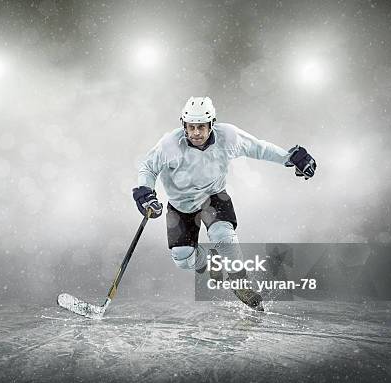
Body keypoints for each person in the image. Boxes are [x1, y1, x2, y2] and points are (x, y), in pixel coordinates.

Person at [132, 96, 316, 311]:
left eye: (201, 127)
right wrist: (145, 192)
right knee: (182, 258)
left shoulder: (228, 137)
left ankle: (241, 284)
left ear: (212, 124)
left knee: (224, 237)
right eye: (191, 127)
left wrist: (289, 158)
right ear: (183, 125)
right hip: (180, 206)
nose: (196, 133)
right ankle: (211, 263)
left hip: (214, 197)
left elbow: (259, 148)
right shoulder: (169, 145)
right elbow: (148, 167)